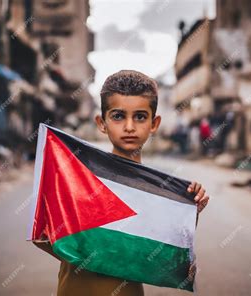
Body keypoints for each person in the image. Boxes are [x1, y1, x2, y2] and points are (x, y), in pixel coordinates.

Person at [57, 70, 210, 295]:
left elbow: (162, 249)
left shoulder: (157, 193)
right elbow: (48, 238)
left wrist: (187, 209)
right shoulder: (82, 179)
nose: (129, 127)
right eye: (118, 116)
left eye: (140, 116)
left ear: (154, 123)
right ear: (102, 122)